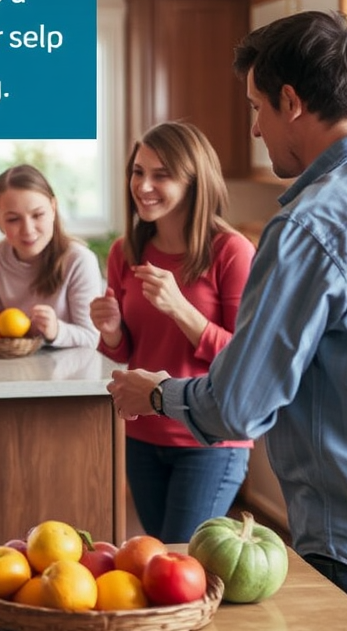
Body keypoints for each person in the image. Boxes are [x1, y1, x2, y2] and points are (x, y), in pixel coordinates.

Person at [106, 11, 347, 631]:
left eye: (257, 105)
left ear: (292, 101)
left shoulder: (309, 227)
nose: (256, 128)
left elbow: (239, 405)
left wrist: (158, 391)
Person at [89, 121, 255, 542]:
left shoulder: (231, 252)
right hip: (142, 432)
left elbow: (246, 360)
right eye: (138, 171)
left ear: (195, 182)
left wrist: (180, 308)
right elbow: (129, 349)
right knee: (161, 560)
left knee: (183, 557)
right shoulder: (126, 251)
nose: (143, 185)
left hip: (210, 438)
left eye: (161, 175)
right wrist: (110, 331)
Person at [0, 164, 101, 348]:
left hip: (71, 372)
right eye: (13, 219)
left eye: (38, 215)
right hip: (15, 368)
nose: (28, 230)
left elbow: (92, 336)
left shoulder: (79, 260)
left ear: (53, 209)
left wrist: (57, 330)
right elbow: (0, 330)